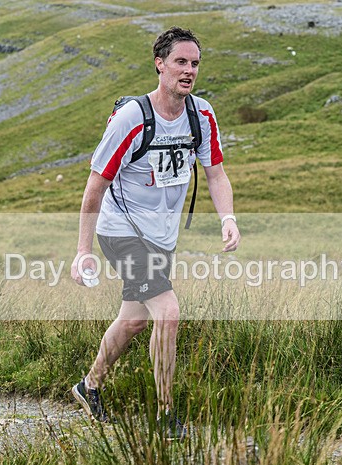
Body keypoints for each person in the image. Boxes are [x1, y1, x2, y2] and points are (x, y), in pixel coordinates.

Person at [70, 27, 240, 439]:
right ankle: (165, 415)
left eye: (195, 63)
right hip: (121, 231)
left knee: (134, 322)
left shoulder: (202, 115)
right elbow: (96, 185)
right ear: (160, 64)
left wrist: (227, 218)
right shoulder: (132, 118)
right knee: (168, 312)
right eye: (180, 62)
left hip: (161, 237)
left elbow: (215, 173)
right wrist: (83, 250)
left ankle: (88, 386)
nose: (189, 71)